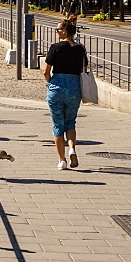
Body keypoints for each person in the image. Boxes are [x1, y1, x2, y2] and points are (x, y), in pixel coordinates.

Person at [43, 19, 88, 171]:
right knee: (71, 122)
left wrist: (50, 83)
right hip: (74, 88)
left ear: (65, 31)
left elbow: (46, 71)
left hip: (57, 87)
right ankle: (72, 149)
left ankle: (62, 160)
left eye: (58, 30)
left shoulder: (55, 48)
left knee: (57, 125)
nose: (56, 32)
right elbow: (84, 69)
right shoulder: (80, 49)